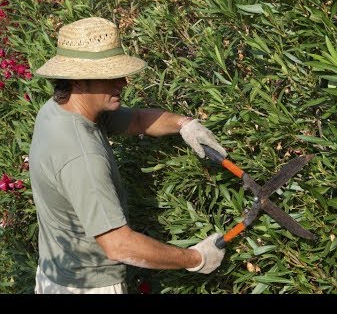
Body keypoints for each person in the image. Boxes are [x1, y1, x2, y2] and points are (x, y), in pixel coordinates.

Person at [29, 17, 227, 294]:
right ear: (77, 80)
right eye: (111, 76)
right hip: (88, 287)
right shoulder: (82, 156)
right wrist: (196, 258)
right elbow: (119, 245)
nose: (123, 81)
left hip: (56, 272)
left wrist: (184, 124)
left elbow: (134, 120)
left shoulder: (58, 109)